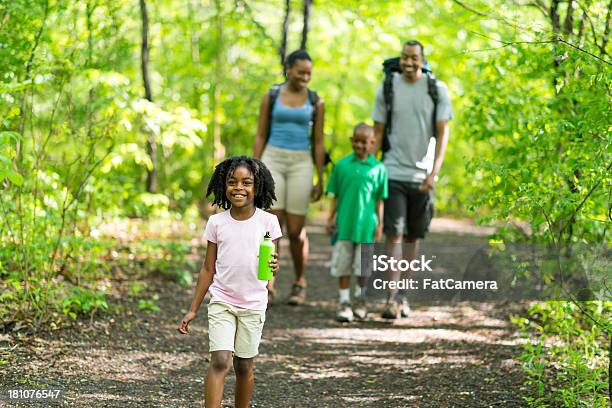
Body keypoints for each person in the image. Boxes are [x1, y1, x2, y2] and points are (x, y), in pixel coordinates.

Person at [177, 156, 282, 408]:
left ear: (258, 187)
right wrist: (193, 309)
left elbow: (272, 262)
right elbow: (207, 268)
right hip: (222, 301)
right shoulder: (216, 222)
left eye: (247, 182)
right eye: (232, 182)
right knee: (221, 361)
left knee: (244, 365)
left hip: (253, 303)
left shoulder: (268, 222)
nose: (239, 188)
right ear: (223, 185)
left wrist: (272, 277)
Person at [371, 40, 452, 319]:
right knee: (393, 233)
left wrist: (434, 172)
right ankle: (391, 296)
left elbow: (443, 133)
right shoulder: (387, 87)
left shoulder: (436, 89)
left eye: (414, 58)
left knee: (413, 237)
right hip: (392, 170)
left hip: (422, 177)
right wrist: (371, 167)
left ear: (422, 59)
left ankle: (403, 293)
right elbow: (378, 131)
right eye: (404, 57)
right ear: (400, 59)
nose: (408, 62)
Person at [253, 49, 325, 306]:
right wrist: (255, 169)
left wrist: (320, 177)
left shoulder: (316, 101)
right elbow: (261, 134)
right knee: (272, 227)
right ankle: (268, 283)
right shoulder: (271, 96)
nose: (305, 77)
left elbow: (318, 142)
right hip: (273, 157)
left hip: (301, 162)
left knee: (295, 230)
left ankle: (299, 282)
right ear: (288, 69)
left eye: (309, 73)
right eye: (300, 71)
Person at [326, 123, 388, 322]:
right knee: (343, 264)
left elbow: (380, 199)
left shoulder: (379, 169)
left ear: (372, 143)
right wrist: (330, 218)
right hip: (344, 225)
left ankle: (360, 299)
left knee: (363, 267)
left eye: (365, 142)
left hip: (366, 227)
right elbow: (334, 196)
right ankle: (344, 302)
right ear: (351, 141)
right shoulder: (341, 166)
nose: (360, 145)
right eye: (357, 141)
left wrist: (380, 225)